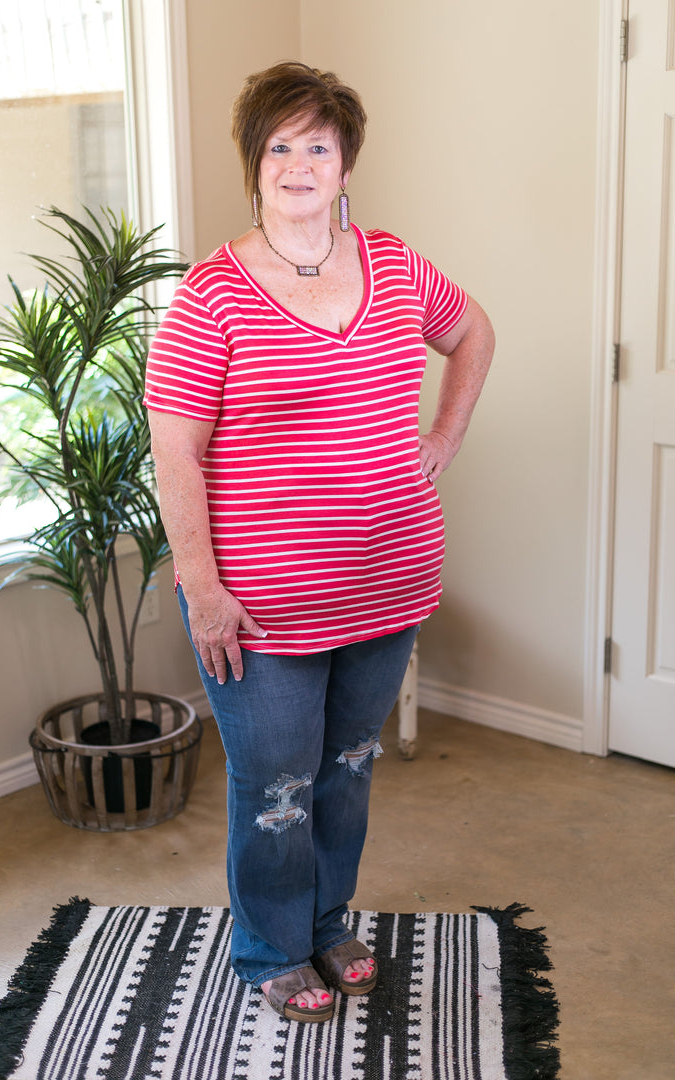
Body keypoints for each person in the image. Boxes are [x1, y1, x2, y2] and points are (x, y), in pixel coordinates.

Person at [145, 60, 494, 1024]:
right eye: (279, 147)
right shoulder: (212, 295)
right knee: (276, 786)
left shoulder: (395, 264)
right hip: (261, 604)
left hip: (390, 583)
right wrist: (202, 590)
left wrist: (444, 436)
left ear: (346, 166)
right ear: (254, 165)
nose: (299, 165)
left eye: (319, 147)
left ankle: (328, 921)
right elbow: (175, 453)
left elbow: (473, 333)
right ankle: (270, 949)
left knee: (346, 770)